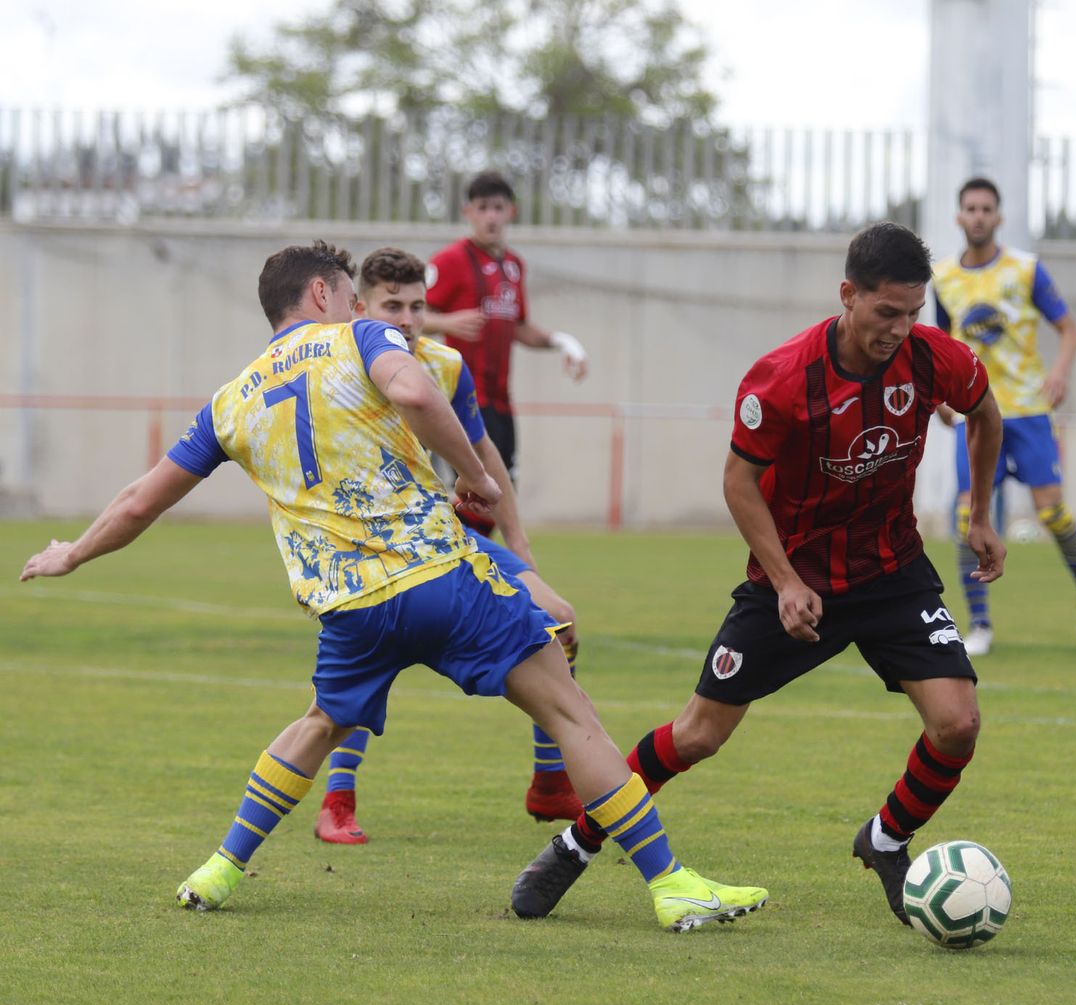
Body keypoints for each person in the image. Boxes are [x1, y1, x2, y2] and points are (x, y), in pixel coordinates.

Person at [18, 240, 767, 932]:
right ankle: (670, 885)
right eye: (349, 296)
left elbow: (140, 501)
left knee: (318, 723)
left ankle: (219, 870)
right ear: (321, 293)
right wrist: (475, 478)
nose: (360, 310)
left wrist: (73, 553)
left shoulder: (230, 398)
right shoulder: (361, 338)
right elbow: (411, 392)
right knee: (572, 713)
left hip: (350, 607)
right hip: (439, 577)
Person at [509, 222, 1007, 927]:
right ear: (848, 295)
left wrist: (979, 514)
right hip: (794, 580)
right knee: (697, 736)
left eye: (911, 314)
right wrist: (785, 582)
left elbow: (986, 414)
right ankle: (577, 843)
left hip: (893, 570)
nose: (899, 329)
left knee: (958, 725)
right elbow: (739, 482)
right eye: (885, 313)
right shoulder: (783, 378)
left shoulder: (933, 359)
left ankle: (887, 840)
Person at [312, 246, 586, 847]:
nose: (407, 319)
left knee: (558, 619)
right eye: (392, 306)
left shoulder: (444, 366)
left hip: (442, 537)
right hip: (367, 554)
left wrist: (519, 543)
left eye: (417, 306)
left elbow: (484, 456)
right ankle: (338, 799)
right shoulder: (335, 369)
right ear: (359, 307)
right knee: (367, 673)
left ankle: (549, 781)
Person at [931, 177, 1076, 657]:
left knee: (1052, 511)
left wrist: (1058, 373)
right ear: (958, 216)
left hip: (1028, 411)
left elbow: (1068, 329)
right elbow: (934, 348)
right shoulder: (943, 278)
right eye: (970, 208)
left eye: (986, 208)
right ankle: (980, 625)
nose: (978, 216)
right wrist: (939, 399)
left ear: (999, 216)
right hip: (974, 413)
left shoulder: (1026, 270)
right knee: (969, 515)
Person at [424, 170, 588, 491]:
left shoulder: (513, 265)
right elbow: (413, 316)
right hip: (462, 398)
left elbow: (519, 328)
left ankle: (477, 542)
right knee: (477, 492)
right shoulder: (450, 260)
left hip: (501, 399)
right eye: (482, 207)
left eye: (498, 208)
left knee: (501, 491)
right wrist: (447, 323)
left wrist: (565, 343)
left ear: (510, 212)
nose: (491, 216)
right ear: (468, 212)